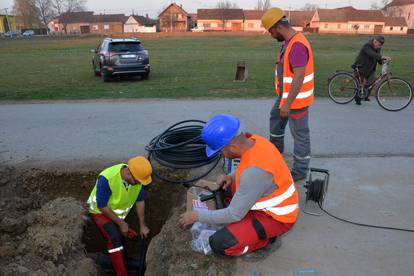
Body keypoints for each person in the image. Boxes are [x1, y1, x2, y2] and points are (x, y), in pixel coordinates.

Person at [179, 114, 299, 258]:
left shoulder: (254, 174)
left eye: (221, 151)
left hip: (276, 218)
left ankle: (265, 240)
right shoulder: (256, 141)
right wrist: (231, 176)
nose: (222, 155)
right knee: (224, 189)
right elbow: (247, 163)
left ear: (234, 147)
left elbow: (233, 215)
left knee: (219, 244)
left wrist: (196, 216)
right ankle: (248, 226)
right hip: (262, 194)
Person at [261, 8, 314, 182]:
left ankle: (299, 171)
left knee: (300, 134)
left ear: (278, 27)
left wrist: (287, 104)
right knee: (275, 118)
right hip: (286, 96)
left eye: (270, 31)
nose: (270, 35)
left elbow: (299, 75)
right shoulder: (288, 42)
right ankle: (275, 156)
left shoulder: (297, 45)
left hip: (296, 100)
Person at [87, 156, 152, 276]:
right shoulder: (107, 178)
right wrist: (121, 224)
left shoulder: (138, 180)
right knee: (115, 238)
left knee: (120, 236)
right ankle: (121, 273)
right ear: (128, 173)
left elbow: (140, 201)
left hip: (116, 214)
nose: (140, 183)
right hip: (100, 212)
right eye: (138, 180)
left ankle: (125, 260)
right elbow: (102, 205)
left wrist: (142, 225)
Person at [352, 35, 391, 105]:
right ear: (375, 41)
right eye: (378, 45)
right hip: (361, 67)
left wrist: (383, 62)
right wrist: (382, 56)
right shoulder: (367, 46)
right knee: (359, 85)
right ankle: (358, 98)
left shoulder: (378, 48)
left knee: (373, 81)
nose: (379, 47)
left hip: (370, 69)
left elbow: (377, 57)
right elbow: (372, 54)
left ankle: (365, 95)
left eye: (380, 46)